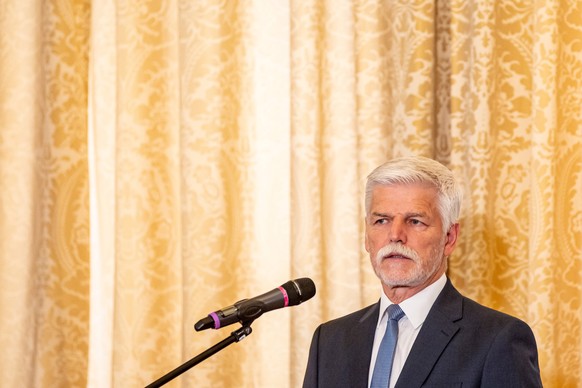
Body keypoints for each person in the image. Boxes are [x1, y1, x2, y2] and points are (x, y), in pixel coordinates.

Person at [302, 156, 542, 388]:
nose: (395, 235)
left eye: (415, 221)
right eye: (382, 221)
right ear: (366, 236)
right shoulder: (330, 341)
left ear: (450, 237)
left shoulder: (498, 339)